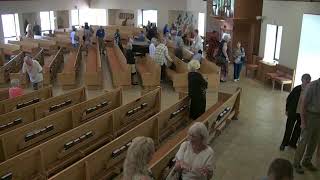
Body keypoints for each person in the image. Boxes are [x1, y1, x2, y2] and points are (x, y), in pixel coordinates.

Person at [293, 77, 320, 174]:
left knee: (314, 141)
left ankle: (307, 161)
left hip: (319, 118)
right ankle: (296, 163)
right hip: (310, 116)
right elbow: (303, 105)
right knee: (304, 141)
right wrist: (303, 122)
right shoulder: (312, 86)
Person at [280, 74, 311, 151]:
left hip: (302, 114)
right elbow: (289, 99)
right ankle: (284, 143)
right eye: (305, 80)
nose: (306, 82)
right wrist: (287, 109)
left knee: (298, 130)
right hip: (293, 112)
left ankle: (293, 143)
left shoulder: (309, 91)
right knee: (289, 128)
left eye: (308, 80)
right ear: (302, 80)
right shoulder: (296, 89)